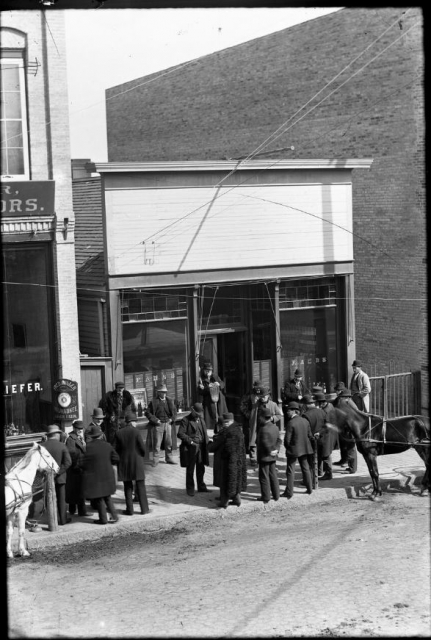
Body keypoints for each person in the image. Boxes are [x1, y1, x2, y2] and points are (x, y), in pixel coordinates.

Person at [79, 424, 120, 525]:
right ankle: (114, 516)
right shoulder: (107, 445)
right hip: (107, 475)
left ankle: (103, 519)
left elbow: (82, 463)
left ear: (91, 437)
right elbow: (116, 458)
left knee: (99, 499)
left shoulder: (88, 447)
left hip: (95, 477)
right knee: (107, 497)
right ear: (101, 435)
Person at [113, 413, 150, 516]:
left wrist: (118, 459)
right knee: (140, 485)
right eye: (135, 422)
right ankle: (144, 509)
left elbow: (114, 449)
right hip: (137, 462)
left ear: (126, 422)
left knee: (127, 487)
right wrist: (141, 456)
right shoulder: (136, 432)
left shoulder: (118, 433)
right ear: (133, 422)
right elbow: (143, 448)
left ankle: (130, 510)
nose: (136, 424)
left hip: (124, 463)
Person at [208, 412, 247, 508]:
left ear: (232, 421)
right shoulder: (238, 430)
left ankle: (224, 502)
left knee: (226, 481)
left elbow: (223, 447)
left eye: (227, 422)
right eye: (224, 422)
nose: (225, 424)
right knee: (235, 480)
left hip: (228, 461)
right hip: (238, 460)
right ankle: (237, 499)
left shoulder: (228, 432)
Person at [177, 403, 211, 497]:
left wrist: (207, 442)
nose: (198, 416)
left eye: (199, 414)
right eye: (196, 414)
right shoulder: (185, 420)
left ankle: (201, 486)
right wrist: (191, 442)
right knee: (190, 469)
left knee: (201, 467)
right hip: (191, 448)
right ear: (192, 411)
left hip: (201, 447)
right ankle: (190, 489)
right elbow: (180, 434)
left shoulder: (201, 420)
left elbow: (204, 433)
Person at [41, 424, 72, 525]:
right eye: (59, 433)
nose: (60, 435)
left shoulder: (42, 446)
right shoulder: (62, 445)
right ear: (56, 434)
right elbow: (68, 462)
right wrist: (57, 472)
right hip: (60, 478)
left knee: (49, 498)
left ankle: (51, 520)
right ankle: (63, 520)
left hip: (46, 478)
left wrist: (48, 473)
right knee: (61, 500)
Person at [283, 402, 314, 499]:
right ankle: (309, 488)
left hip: (293, 450)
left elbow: (287, 440)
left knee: (290, 471)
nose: (287, 412)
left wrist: (288, 447)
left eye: (288, 410)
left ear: (293, 411)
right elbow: (310, 436)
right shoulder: (305, 421)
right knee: (306, 468)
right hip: (304, 449)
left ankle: (289, 492)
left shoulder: (291, 423)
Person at [247, 385, 282, 467]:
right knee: (257, 445)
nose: (262, 398)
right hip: (258, 428)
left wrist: (272, 419)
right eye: (261, 396)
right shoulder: (256, 404)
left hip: (269, 429)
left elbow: (279, 415)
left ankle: (272, 463)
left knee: (270, 445)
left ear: (268, 396)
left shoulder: (273, 404)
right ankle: (257, 462)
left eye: (264, 396)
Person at [145, 383, 177, 466]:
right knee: (157, 444)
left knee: (168, 443)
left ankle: (169, 458)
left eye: (165, 392)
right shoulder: (154, 401)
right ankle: (155, 460)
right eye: (162, 392)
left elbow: (174, 412)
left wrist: (172, 419)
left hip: (168, 424)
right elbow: (147, 413)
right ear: (158, 393)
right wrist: (155, 420)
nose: (164, 394)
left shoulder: (170, 400)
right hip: (158, 425)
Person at [256, 407, 282, 504]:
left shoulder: (263, 429)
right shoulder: (275, 427)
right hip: (273, 455)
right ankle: (276, 494)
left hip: (265, 456)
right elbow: (279, 440)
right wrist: (276, 449)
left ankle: (266, 496)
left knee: (264, 476)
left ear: (262, 417)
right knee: (273, 474)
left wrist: (270, 451)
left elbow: (265, 442)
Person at [331, 389, 358, 475]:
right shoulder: (344, 402)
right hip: (345, 428)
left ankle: (352, 468)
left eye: (342, 397)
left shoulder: (350, 404)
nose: (341, 398)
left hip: (349, 429)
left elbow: (355, 415)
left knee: (351, 448)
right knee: (347, 447)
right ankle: (347, 462)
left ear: (346, 397)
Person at [302, 394, 327, 482]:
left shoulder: (305, 415)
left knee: (311, 461)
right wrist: (320, 432)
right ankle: (319, 473)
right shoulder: (322, 411)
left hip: (311, 441)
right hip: (322, 438)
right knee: (319, 458)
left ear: (305, 405)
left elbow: (305, 430)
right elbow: (327, 425)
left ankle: (311, 480)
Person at [197, 361, 228, 432]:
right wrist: (208, 388)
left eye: (209, 370)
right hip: (209, 403)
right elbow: (201, 392)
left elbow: (223, 384)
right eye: (206, 370)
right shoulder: (201, 379)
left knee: (220, 417)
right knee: (211, 421)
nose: (208, 372)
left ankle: (221, 429)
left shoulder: (215, 376)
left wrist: (219, 384)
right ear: (204, 370)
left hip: (219, 400)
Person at [65, 419, 87, 517]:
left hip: (80, 467)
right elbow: (71, 454)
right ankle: (80, 511)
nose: (80, 430)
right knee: (76, 491)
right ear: (74, 428)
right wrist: (77, 466)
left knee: (77, 490)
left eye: (81, 429)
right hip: (75, 468)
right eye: (78, 428)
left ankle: (74, 510)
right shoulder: (71, 439)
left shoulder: (79, 438)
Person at [239, 380, 262, 461]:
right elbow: (242, 406)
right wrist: (249, 415)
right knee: (250, 437)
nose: (258, 390)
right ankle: (251, 455)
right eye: (256, 388)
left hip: (260, 420)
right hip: (249, 421)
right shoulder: (248, 395)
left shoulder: (264, 394)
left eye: (259, 388)